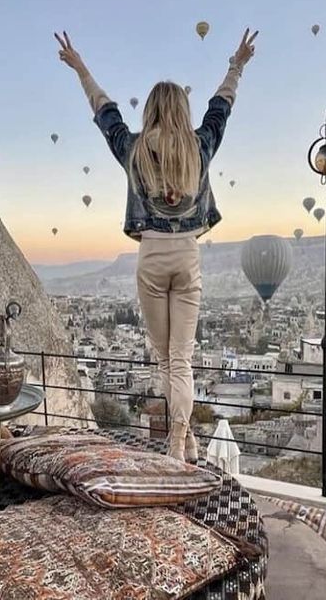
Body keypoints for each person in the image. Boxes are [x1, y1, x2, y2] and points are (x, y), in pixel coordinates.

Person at [55, 28, 258, 461]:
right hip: (187, 254)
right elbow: (221, 106)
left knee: (165, 360)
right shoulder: (199, 147)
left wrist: (80, 68)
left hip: (150, 254)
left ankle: (179, 440)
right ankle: (184, 440)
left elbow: (105, 111)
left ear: (150, 110)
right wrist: (236, 65)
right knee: (181, 359)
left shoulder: (133, 149)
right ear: (182, 110)